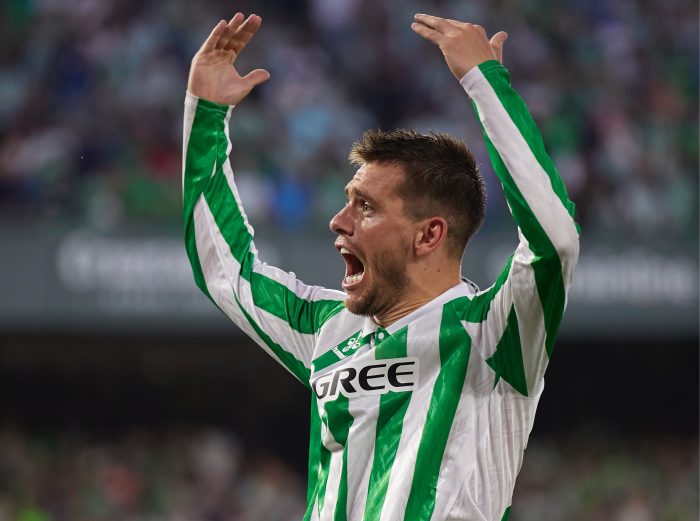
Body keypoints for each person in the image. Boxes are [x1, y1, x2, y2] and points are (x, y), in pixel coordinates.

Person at [183, 11, 579, 521]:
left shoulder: (496, 333)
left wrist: (485, 82)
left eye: (365, 207)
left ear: (429, 234)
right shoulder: (328, 329)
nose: (337, 220)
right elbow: (226, 272)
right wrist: (206, 114)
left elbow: (556, 242)